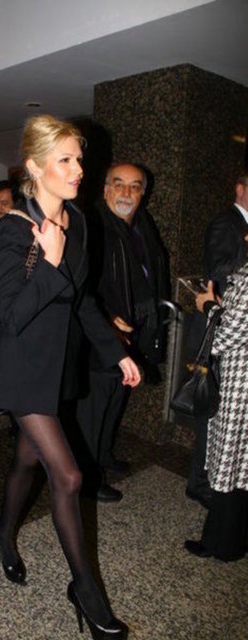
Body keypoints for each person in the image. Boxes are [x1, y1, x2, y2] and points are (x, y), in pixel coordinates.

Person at [0, 115, 140, 639]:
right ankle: (86, 593)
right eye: (66, 160)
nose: (78, 170)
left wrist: (115, 353)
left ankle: (2, 533)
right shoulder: (11, 230)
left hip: (55, 368)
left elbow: (81, 299)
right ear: (35, 167)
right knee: (68, 476)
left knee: (27, 459)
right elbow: (11, 315)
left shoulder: (78, 221)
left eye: (79, 159)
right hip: (20, 371)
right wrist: (48, 264)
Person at [77, 163, 168, 501]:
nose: (126, 193)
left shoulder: (142, 225)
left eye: (134, 187)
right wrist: (106, 316)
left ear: (143, 193)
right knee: (94, 410)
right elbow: (79, 284)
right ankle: (87, 478)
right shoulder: (92, 226)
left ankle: (102, 458)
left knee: (115, 401)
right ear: (105, 190)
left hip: (134, 331)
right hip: (100, 337)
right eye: (119, 184)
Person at [187, 173, 248, 507]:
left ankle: (212, 480)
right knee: (210, 408)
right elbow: (218, 268)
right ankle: (201, 483)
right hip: (220, 328)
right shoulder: (226, 223)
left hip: (234, 332)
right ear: (239, 189)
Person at [185, 262, 248, 562]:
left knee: (231, 464)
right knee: (242, 467)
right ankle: (233, 539)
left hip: (241, 384)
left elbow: (226, 337)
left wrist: (208, 306)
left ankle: (222, 544)